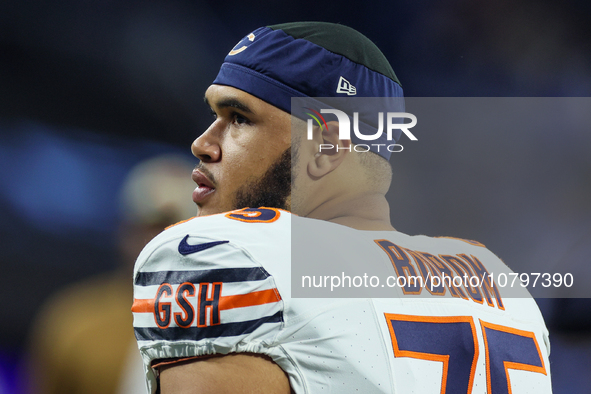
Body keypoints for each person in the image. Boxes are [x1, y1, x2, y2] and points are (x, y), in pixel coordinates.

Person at [131, 22, 552, 393]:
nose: (203, 143)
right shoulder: (496, 280)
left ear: (327, 148)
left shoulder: (229, 254)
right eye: (214, 114)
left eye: (239, 118)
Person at [26, 154, 196, 394]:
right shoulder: (77, 322)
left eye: (178, 229)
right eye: (151, 227)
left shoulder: (228, 323)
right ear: (125, 231)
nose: (161, 242)